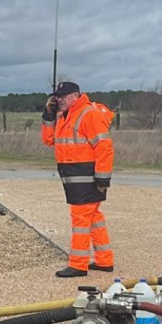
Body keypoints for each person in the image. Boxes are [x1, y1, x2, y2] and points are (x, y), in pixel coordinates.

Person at [41, 81, 115, 278]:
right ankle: (104, 260)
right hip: (75, 178)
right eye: (57, 96)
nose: (59, 99)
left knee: (81, 220)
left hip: (87, 177)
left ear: (76, 95)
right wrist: (48, 115)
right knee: (94, 219)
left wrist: (102, 178)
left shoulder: (88, 114)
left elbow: (104, 147)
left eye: (64, 96)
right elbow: (49, 140)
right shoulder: (63, 115)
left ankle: (78, 265)